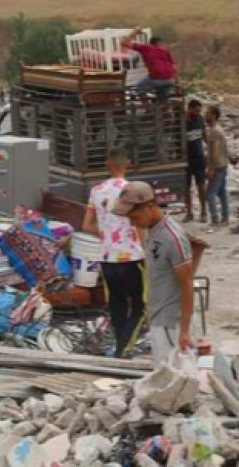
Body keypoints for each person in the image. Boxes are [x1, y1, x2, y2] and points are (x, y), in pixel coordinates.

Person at [113, 181, 194, 367]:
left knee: (176, 379)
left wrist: (184, 331)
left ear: (149, 207)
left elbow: (187, 284)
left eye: (134, 216)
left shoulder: (172, 237)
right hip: (159, 318)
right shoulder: (152, 232)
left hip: (172, 322)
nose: (132, 223)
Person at [81, 148, 146, 358]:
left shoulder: (96, 191)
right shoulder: (134, 190)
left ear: (107, 165)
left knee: (117, 305)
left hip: (108, 258)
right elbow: (141, 225)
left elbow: (86, 225)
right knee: (139, 306)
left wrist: (106, 234)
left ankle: (120, 347)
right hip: (132, 258)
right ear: (127, 163)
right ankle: (123, 349)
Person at [122, 27, 178, 102]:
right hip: (170, 79)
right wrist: (176, 82)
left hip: (156, 79)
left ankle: (142, 102)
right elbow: (174, 67)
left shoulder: (146, 48)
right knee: (162, 98)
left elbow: (125, 43)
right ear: (161, 43)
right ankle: (160, 108)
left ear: (151, 43)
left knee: (136, 89)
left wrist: (135, 31)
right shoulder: (166, 50)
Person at [204, 105, 229, 226]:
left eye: (208, 113)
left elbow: (216, 151)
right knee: (222, 193)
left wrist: (211, 168)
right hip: (222, 165)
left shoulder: (216, 132)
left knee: (210, 194)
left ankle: (215, 219)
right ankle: (225, 218)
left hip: (218, 166)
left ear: (213, 115)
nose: (205, 115)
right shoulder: (215, 130)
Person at [184, 99, 208, 223]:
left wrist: (209, 148)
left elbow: (204, 135)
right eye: (196, 110)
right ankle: (189, 212)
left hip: (199, 157)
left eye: (199, 111)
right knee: (186, 188)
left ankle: (204, 211)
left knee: (201, 186)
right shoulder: (182, 121)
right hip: (186, 159)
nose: (198, 113)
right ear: (190, 109)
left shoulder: (200, 119)